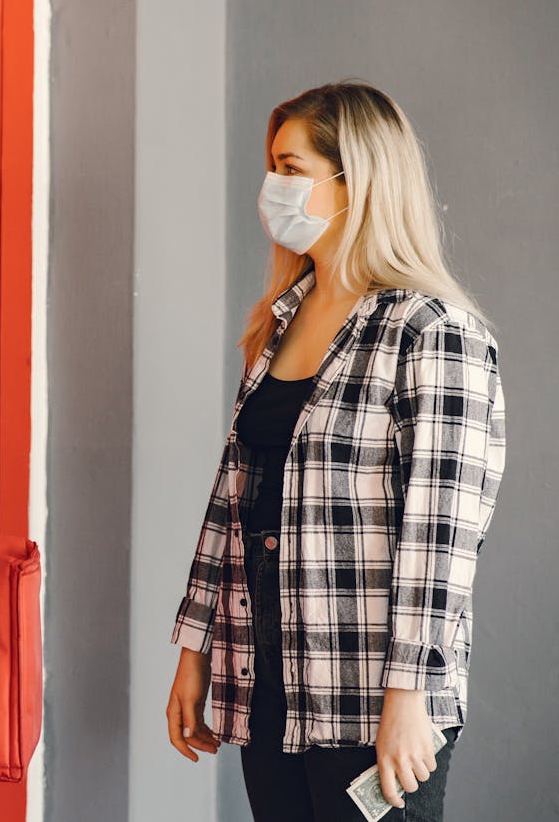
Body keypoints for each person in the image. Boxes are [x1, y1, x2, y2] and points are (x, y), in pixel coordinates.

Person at [165, 82, 506, 821]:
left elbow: (440, 534)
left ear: (355, 182)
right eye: (272, 166)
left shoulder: (431, 330)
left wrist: (409, 696)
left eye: (291, 167)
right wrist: (194, 651)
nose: (272, 187)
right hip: (270, 684)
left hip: (373, 696)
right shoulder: (279, 320)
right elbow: (234, 500)